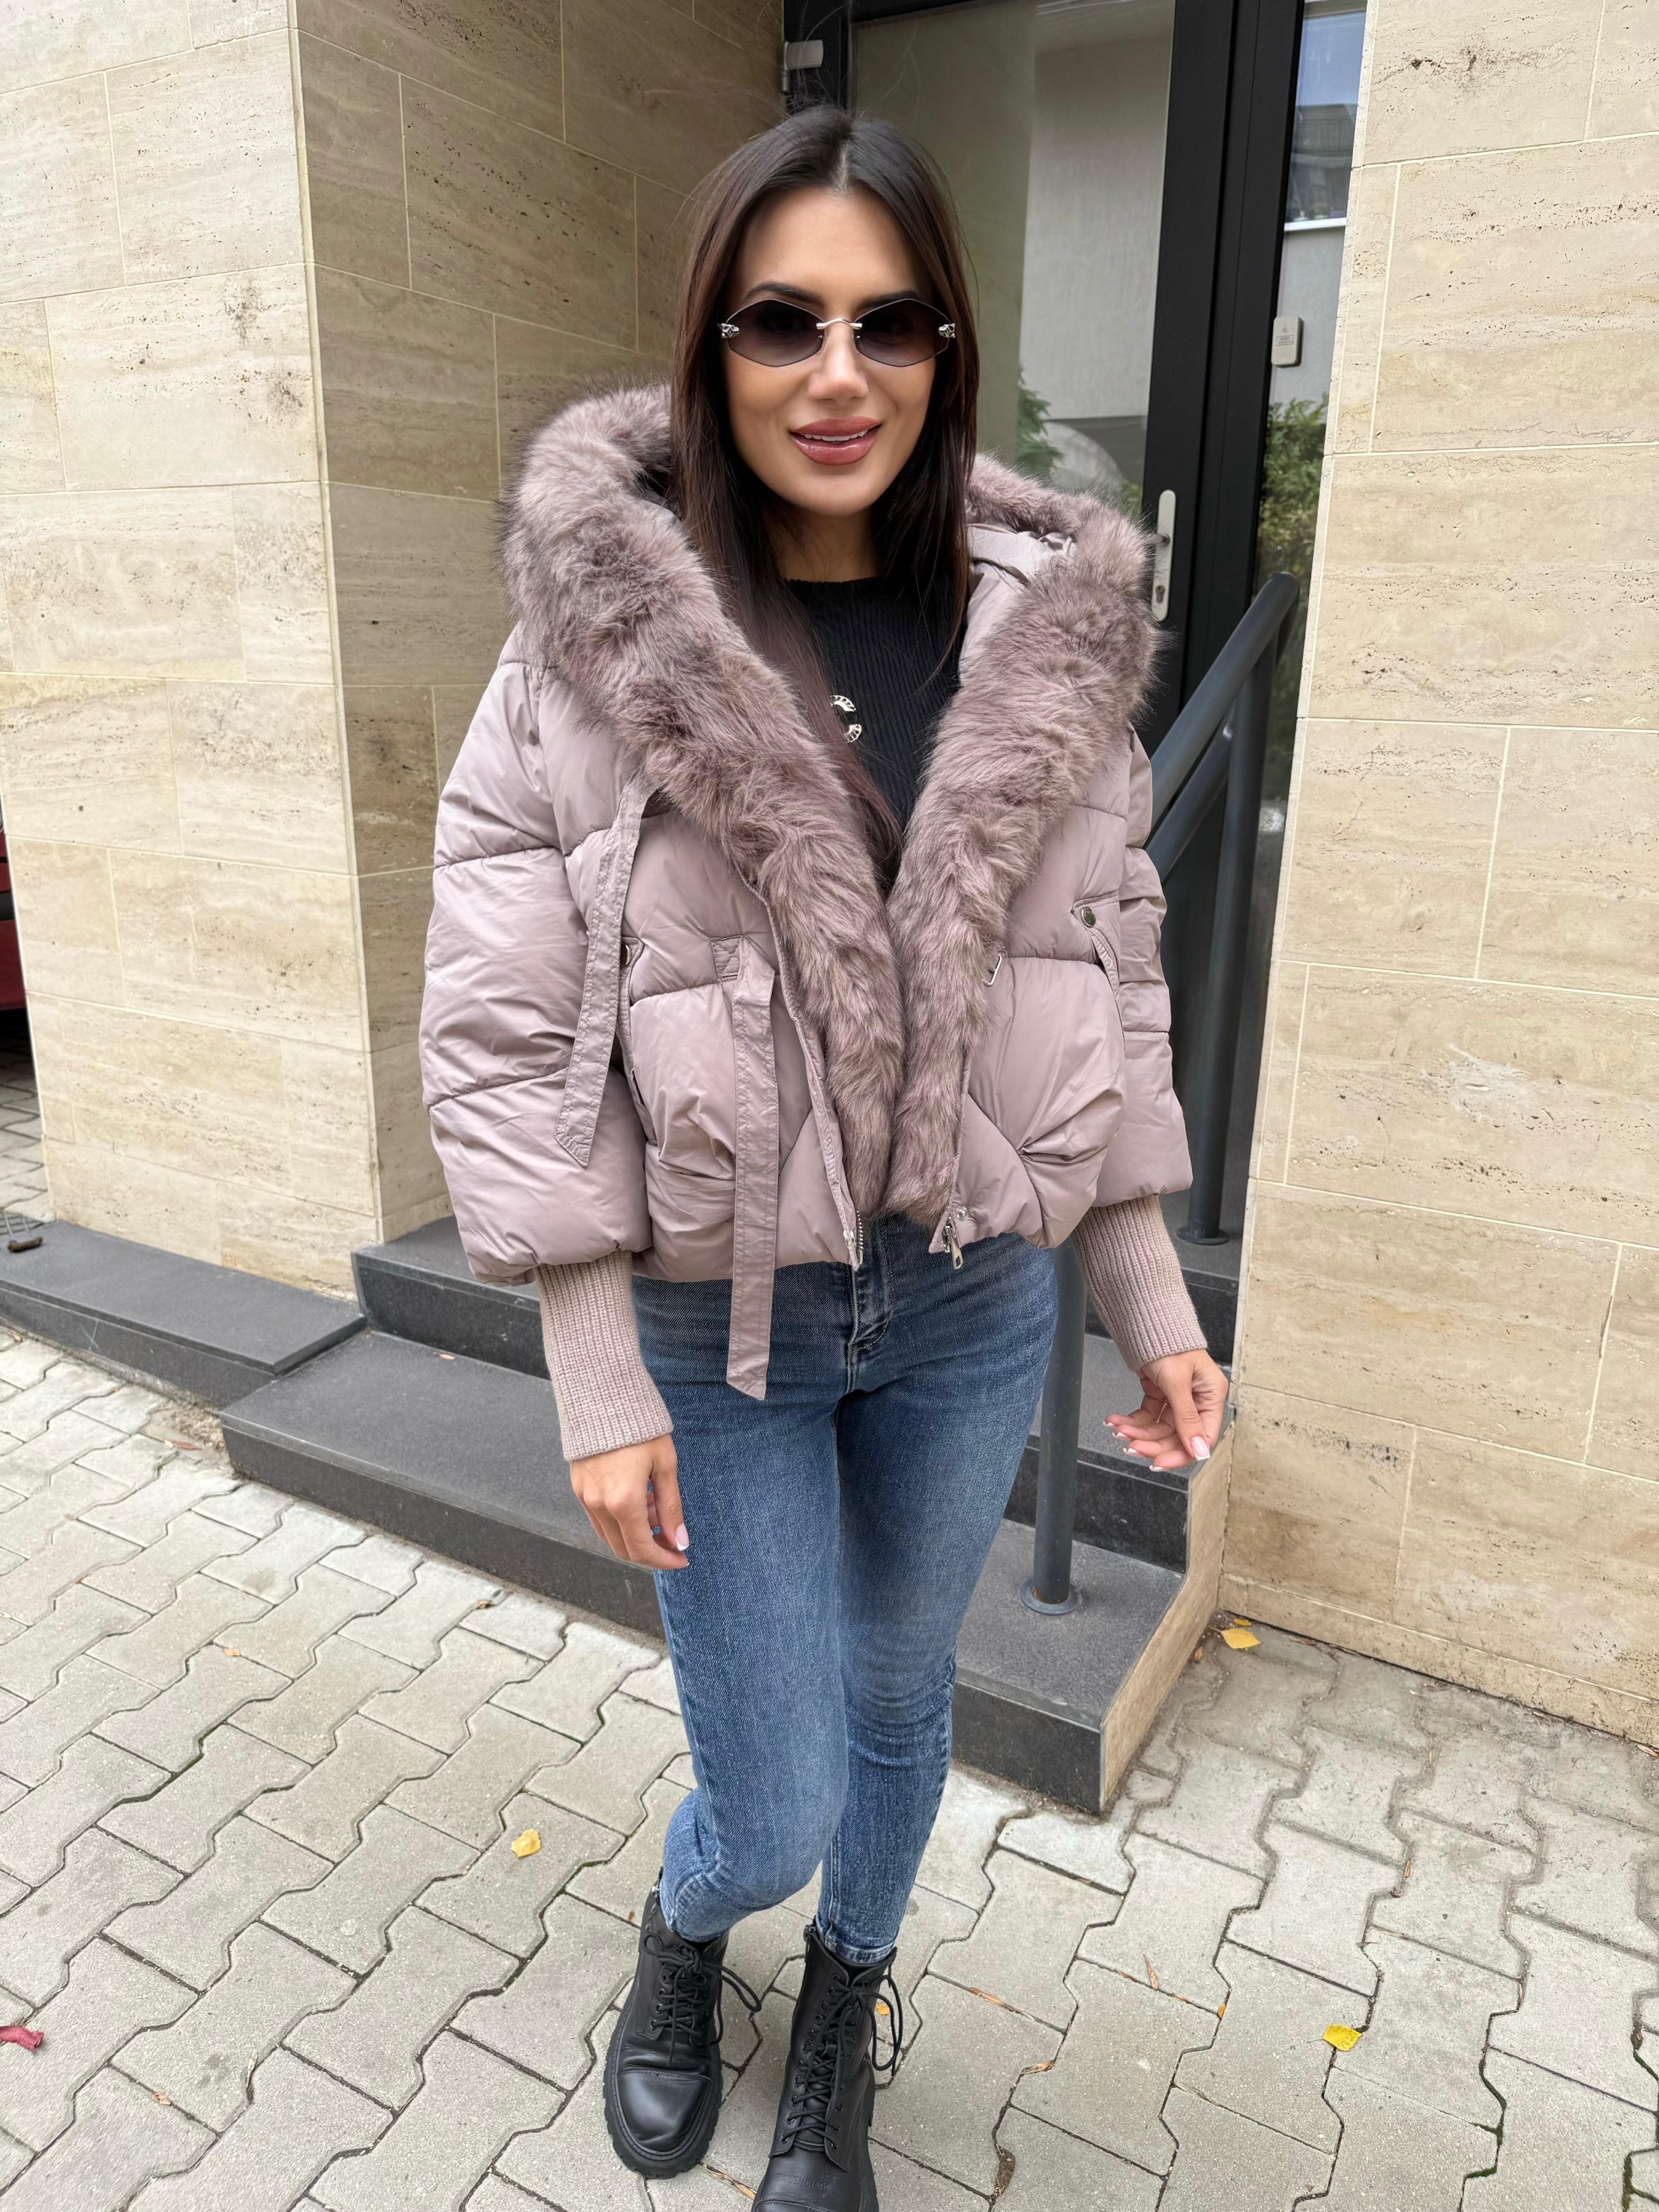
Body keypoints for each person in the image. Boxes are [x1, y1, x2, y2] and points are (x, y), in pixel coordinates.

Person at [419, 105, 1227, 2212]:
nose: (839, 372)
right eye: (785, 321)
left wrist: (1148, 1294)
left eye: (893, 324)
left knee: (896, 1703)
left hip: (971, 1304)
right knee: (770, 1787)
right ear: (715, 343)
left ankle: (847, 2001)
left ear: (951, 349)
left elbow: (1110, 975)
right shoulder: (594, 645)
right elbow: (505, 1017)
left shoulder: (1051, 640)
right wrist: (590, 1358)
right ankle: (699, 1923)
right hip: (719, 1326)